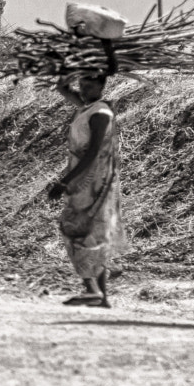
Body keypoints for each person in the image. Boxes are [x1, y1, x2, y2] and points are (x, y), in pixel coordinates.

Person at [45, 41, 123, 307]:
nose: (85, 87)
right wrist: (68, 64)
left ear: (102, 86)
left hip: (92, 180)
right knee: (92, 233)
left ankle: (91, 288)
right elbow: (61, 88)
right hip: (86, 178)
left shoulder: (100, 112)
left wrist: (63, 182)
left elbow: (91, 154)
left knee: (75, 229)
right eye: (83, 83)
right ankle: (100, 295)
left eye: (91, 84)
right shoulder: (85, 107)